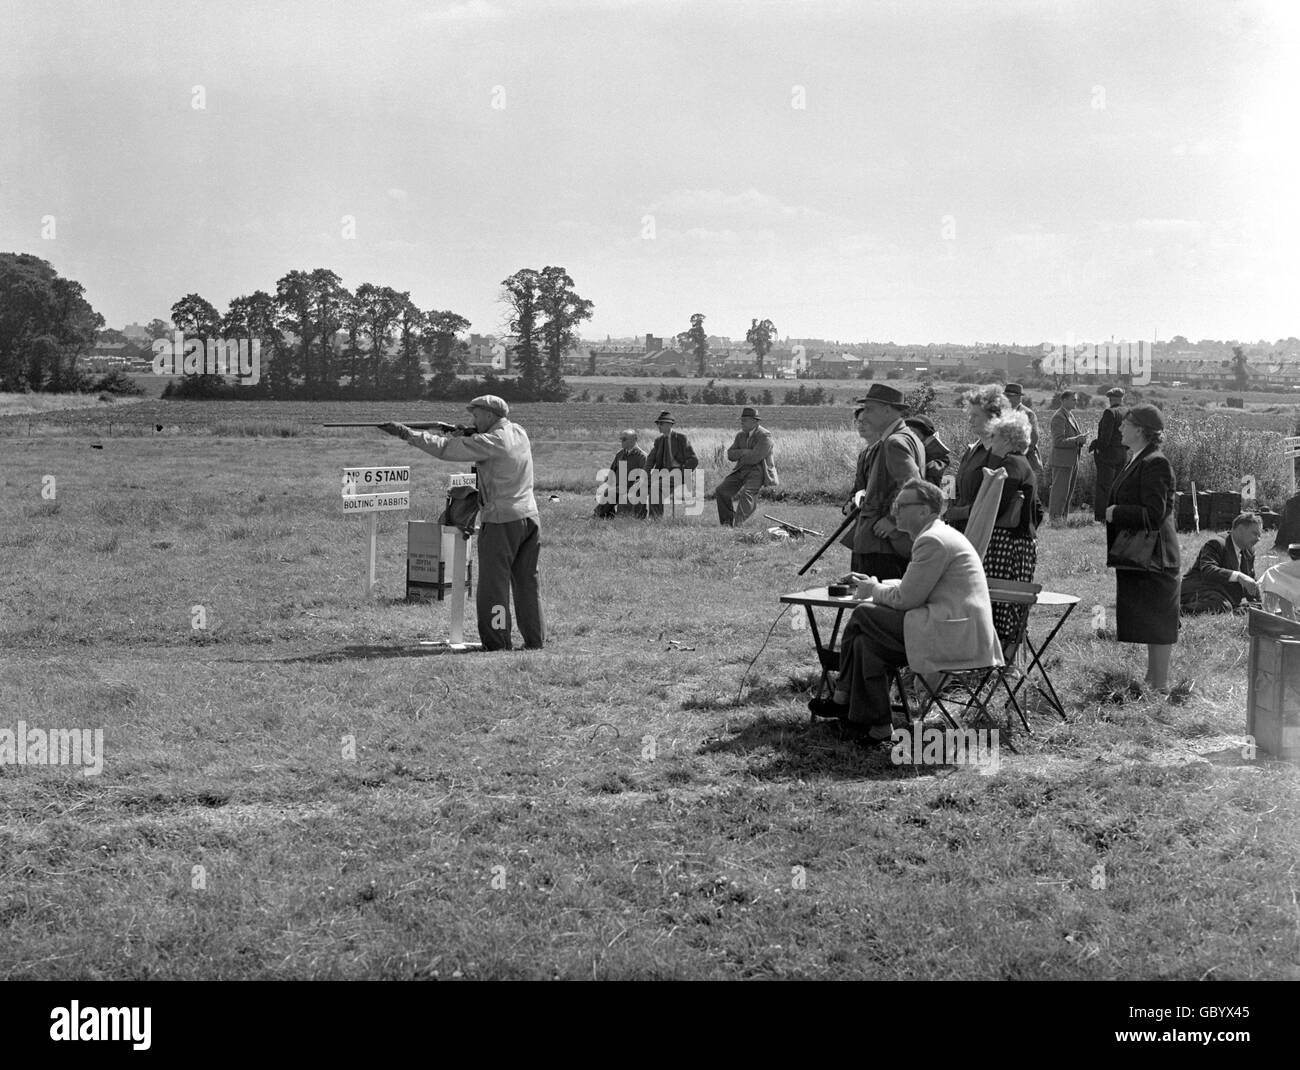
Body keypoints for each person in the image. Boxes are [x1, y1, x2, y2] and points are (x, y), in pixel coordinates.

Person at [809, 478, 1002, 741]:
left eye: (902, 505)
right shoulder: (935, 536)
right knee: (867, 645)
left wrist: (873, 591)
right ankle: (877, 727)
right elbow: (916, 586)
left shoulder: (933, 540)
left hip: (954, 636)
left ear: (925, 510)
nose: (894, 511)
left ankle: (843, 697)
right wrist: (876, 584)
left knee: (864, 614)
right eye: (895, 504)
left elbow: (906, 599)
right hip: (949, 628)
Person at [382, 395, 543, 651]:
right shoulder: (517, 431)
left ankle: (498, 642)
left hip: (502, 520)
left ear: (489, 415)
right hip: (530, 517)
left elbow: (446, 449)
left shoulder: (491, 441)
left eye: (476, 415)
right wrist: (466, 432)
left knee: (494, 585)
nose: (472, 419)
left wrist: (406, 433)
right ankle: (535, 640)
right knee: (526, 583)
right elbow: (480, 438)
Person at [1104, 403, 1180, 691]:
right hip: (1144, 554)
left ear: (1140, 430)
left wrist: (1116, 512)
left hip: (1156, 556)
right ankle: (1153, 679)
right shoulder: (1138, 458)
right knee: (1151, 616)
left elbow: (1154, 513)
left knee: (1159, 620)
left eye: (1126, 423)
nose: (1121, 427)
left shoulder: (1155, 463)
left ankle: (1159, 685)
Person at [840, 384, 924, 579]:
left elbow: (913, 484)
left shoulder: (894, 442)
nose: (865, 416)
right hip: (884, 542)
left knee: (874, 604)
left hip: (881, 543)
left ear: (887, 410)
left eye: (870, 409)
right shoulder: (908, 438)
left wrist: (892, 520)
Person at [982, 409, 1040, 650]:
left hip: (1007, 545)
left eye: (994, 435)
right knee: (1008, 608)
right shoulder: (1022, 463)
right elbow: (1038, 511)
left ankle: (1001, 660)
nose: (991, 441)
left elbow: (997, 505)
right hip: (1019, 542)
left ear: (1006, 439)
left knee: (1001, 606)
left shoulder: (1011, 465)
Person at [944, 384, 1010, 534]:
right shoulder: (973, 449)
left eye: (975, 416)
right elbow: (956, 484)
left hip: (986, 533)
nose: (970, 420)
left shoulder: (1001, 452)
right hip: (963, 529)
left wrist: (958, 513)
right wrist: (948, 507)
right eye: (970, 415)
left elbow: (995, 501)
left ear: (993, 418)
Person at [1179, 512, 1262, 614]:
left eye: (1259, 535)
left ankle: (1235, 608)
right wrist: (1239, 576)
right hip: (1199, 589)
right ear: (1240, 530)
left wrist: (1259, 605)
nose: (1258, 539)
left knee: (1252, 608)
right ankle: (1178, 610)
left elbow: (1250, 581)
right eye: (1255, 534)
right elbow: (1208, 570)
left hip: (1223, 595)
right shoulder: (1216, 543)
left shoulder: (1249, 551)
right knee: (1222, 606)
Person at [716, 406, 778, 526]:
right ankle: (726, 523)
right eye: (741, 419)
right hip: (740, 470)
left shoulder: (765, 436)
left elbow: (755, 458)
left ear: (754, 421)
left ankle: (738, 524)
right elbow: (730, 454)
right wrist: (744, 452)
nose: (741, 422)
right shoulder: (740, 435)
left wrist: (740, 454)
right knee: (721, 490)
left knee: (747, 493)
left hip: (758, 471)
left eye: (745, 420)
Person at [644, 411, 698, 519]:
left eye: (661, 424)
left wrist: (682, 473)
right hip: (662, 474)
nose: (658, 426)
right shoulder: (659, 441)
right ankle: (637, 516)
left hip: (678, 473)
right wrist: (644, 475)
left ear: (669, 424)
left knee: (655, 487)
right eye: (658, 424)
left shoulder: (681, 438)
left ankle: (655, 519)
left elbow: (693, 460)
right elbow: (650, 460)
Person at [1048, 390, 1089, 523]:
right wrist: (1077, 439)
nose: (1075, 402)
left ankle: (1062, 519)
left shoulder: (1069, 415)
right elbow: (1058, 441)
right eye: (1073, 399)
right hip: (1062, 461)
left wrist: (1080, 439)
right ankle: (1055, 519)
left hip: (1071, 459)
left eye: (1075, 399)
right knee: (1059, 492)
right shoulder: (1059, 417)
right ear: (1064, 400)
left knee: (1067, 492)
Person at [1089, 387, 1129, 522]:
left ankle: (1101, 517)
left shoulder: (1109, 412)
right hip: (1123, 453)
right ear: (1122, 398)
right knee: (1117, 487)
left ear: (1111, 399)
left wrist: (1098, 448)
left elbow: (1105, 437)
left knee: (1104, 487)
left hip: (1108, 454)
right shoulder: (1128, 412)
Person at [1004, 383, 1044, 505]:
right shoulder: (1000, 413)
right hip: (1003, 460)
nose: (1006, 399)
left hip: (1024, 460)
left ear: (1018, 397)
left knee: (1026, 497)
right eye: (1005, 395)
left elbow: (1033, 439)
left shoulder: (1028, 414)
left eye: (1010, 396)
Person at [594, 429, 648, 519]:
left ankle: (626, 515)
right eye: (621, 439)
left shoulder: (642, 457)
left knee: (623, 517)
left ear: (634, 439)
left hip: (632, 491)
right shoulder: (620, 454)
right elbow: (612, 472)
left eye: (624, 439)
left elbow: (644, 478)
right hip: (617, 488)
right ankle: (604, 515)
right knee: (605, 500)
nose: (621, 441)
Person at [904, 414, 952, 487]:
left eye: (915, 434)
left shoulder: (944, 463)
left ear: (927, 439)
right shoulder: (905, 458)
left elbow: (949, 495)